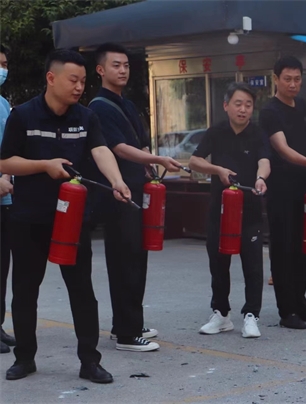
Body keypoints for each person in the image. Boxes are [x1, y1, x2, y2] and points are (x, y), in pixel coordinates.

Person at [0, 49, 131, 383]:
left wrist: (117, 181)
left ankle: (90, 361)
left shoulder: (86, 117)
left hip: (72, 220)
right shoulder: (23, 115)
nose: (79, 87)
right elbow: (5, 162)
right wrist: (44, 165)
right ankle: (24, 358)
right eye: (73, 80)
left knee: (82, 291)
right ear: (51, 78)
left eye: (83, 81)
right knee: (25, 292)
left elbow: (100, 150)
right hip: (29, 218)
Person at [88, 43, 180, 352]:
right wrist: (156, 159)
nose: (123, 70)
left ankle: (128, 324)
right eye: (116, 65)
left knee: (137, 258)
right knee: (124, 261)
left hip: (136, 190)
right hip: (118, 194)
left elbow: (138, 144)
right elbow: (118, 148)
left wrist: (149, 162)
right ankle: (127, 335)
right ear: (100, 70)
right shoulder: (99, 107)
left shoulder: (126, 104)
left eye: (126, 65)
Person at [189, 82, 270, 338]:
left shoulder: (257, 133)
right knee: (218, 264)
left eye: (248, 105)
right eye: (238, 104)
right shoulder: (216, 132)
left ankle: (251, 315)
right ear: (226, 106)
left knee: (253, 267)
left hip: (250, 210)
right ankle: (221, 314)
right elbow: (194, 160)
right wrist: (217, 170)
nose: (243, 109)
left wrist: (261, 178)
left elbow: (264, 161)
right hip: (220, 211)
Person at [259, 56, 306, 329]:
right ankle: (286, 311)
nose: (293, 84)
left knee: (303, 248)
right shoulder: (269, 111)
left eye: (297, 79)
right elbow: (282, 148)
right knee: (283, 248)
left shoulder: (304, 105)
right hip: (280, 190)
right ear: (276, 79)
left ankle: (301, 305)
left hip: (305, 186)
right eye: (287, 79)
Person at [0, 44, 16, 354]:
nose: (3, 69)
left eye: (4, 63)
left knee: (2, 266)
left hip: (5, 199)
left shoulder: (3, 103)